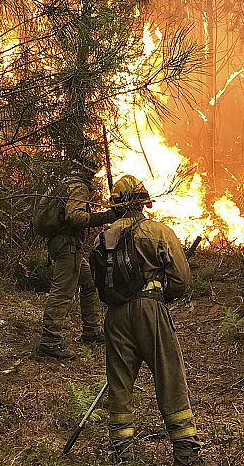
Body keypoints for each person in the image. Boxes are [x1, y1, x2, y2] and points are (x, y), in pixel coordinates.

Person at [100, 174, 204, 466]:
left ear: (118, 205)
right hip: (150, 309)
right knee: (169, 376)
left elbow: (101, 283)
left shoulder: (104, 237)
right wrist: (159, 294)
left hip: (116, 315)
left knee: (119, 383)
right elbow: (181, 280)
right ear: (143, 203)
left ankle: (123, 453)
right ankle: (186, 452)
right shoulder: (159, 232)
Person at [37, 157, 115, 360]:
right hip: (67, 247)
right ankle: (50, 341)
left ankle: (91, 331)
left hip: (64, 245)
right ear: (89, 173)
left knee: (89, 285)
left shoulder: (64, 184)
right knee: (62, 292)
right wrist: (106, 217)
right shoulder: (79, 187)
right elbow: (75, 217)